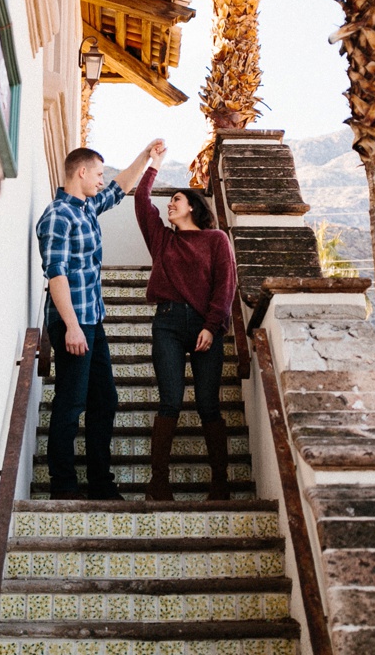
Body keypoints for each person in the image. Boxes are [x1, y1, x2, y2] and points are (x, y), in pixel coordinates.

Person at [37, 141, 160, 500]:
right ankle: (63, 487)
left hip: (93, 320)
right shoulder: (59, 215)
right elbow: (56, 274)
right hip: (72, 322)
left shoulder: (87, 207)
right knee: (71, 403)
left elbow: (120, 188)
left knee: (104, 400)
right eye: (99, 174)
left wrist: (145, 157)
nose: (102, 181)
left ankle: (100, 483)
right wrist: (72, 326)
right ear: (82, 172)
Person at [135, 141, 238, 500]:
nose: (170, 204)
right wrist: (154, 164)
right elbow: (141, 202)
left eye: (176, 200)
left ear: (192, 206)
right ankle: (158, 484)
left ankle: (220, 484)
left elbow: (225, 286)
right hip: (166, 325)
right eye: (170, 200)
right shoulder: (163, 240)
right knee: (171, 401)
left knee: (209, 404)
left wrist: (211, 326)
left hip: (204, 326)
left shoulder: (215, 240)